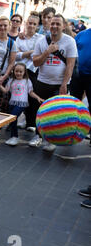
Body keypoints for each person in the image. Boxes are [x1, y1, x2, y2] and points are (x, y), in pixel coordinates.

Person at [31, 14, 78, 152]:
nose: (55, 26)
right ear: (49, 25)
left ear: (63, 26)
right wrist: (47, 51)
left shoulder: (69, 41)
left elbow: (70, 65)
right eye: (53, 24)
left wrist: (64, 84)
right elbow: (35, 62)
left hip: (60, 84)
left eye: (58, 24)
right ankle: (38, 136)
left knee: (56, 113)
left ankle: (52, 140)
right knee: (40, 111)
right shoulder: (41, 41)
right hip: (42, 81)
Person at [0, 63, 44, 146]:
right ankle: (13, 137)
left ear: (24, 72)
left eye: (20, 71)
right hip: (12, 103)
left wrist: (37, 98)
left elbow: (31, 92)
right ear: (13, 71)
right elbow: (5, 90)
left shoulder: (27, 81)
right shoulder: (11, 80)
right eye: (16, 71)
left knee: (13, 117)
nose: (18, 73)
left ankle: (15, 137)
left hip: (21, 103)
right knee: (11, 119)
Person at [15, 12, 43, 134]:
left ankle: (31, 122)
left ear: (37, 26)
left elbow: (39, 55)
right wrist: (31, 52)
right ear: (26, 24)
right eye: (29, 23)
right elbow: (16, 56)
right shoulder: (19, 37)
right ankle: (16, 121)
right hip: (20, 71)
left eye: (34, 24)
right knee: (18, 96)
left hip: (33, 71)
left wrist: (24, 53)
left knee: (32, 97)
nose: (31, 26)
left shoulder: (41, 38)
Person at [71, 27, 91, 145]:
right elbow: (73, 53)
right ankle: (72, 131)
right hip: (77, 75)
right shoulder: (81, 35)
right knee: (74, 105)